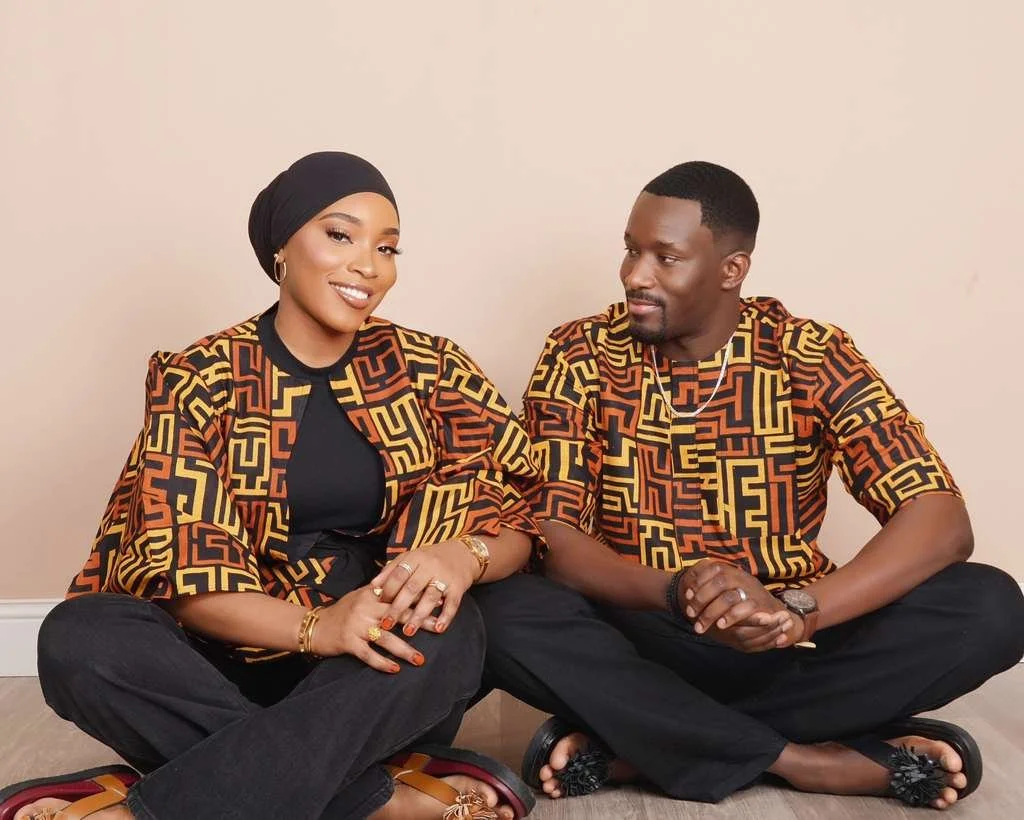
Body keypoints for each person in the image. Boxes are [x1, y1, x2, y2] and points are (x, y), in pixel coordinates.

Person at [0, 152, 539, 820]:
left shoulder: (432, 368)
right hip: (220, 666)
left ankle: (142, 811)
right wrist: (318, 627)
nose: (369, 266)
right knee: (77, 636)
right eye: (340, 235)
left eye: (387, 247)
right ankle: (376, 801)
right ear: (282, 248)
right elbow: (183, 579)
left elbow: (523, 514)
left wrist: (465, 556)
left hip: (368, 677)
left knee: (451, 629)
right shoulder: (199, 377)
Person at [472, 160, 1024, 811]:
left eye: (665, 258)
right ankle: (805, 760)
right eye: (630, 250)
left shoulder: (808, 353)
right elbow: (554, 537)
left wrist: (798, 612)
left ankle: (651, 740)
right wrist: (676, 590)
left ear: (731, 270)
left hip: (792, 639)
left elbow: (939, 517)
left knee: (990, 605)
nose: (634, 275)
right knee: (498, 607)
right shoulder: (580, 354)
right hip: (644, 628)